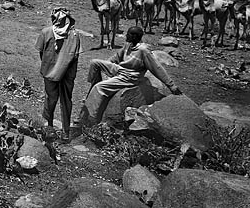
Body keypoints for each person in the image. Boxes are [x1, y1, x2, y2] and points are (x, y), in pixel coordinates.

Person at [79, 26, 182, 126]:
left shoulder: (143, 51)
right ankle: (93, 89)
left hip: (130, 77)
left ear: (133, 36)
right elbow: (115, 58)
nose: (125, 35)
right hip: (120, 70)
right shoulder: (128, 45)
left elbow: (157, 68)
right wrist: (106, 65)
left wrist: (171, 86)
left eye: (128, 34)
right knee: (94, 63)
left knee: (99, 88)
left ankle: (91, 118)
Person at [35, 8, 83, 143]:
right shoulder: (74, 35)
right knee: (66, 100)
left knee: (51, 98)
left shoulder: (46, 32)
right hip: (67, 74)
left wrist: (49, 66)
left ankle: (49, 126)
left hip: (50, 72)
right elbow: (75, 57)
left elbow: (41, 53)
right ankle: (66, 132)